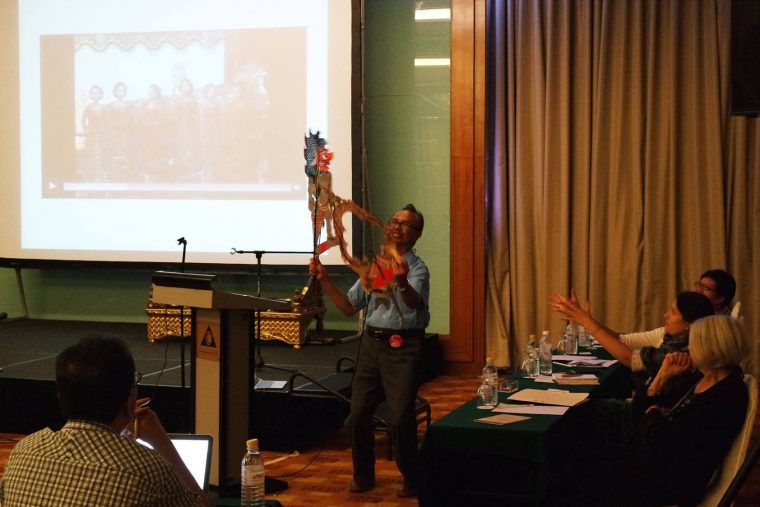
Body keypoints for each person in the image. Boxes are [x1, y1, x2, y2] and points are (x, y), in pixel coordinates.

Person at [545, 315, 750, 506]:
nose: (690, 348)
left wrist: (652, 415)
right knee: (573, 453)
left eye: (694, 343)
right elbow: (638, 412)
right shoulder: (703, 378)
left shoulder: (726, 396)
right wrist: (661, 377)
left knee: (571, 475)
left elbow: (662, 444)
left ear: (711, 348)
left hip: (668, 481)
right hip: (651, 462)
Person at [0, 336, 209, 507]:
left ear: (61, 396)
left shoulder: (24, 451)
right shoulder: (148, 469)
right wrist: (160, 440)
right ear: (129, 400)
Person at [309, 204, 430, 498]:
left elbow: (414, 304)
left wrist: (400, 282)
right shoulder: (377, 266)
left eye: (405, 224)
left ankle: (411, 478)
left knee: (401, 417)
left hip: (404, 348)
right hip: (372, 345)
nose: (396, 227)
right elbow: (349, 306)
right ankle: (363, 475)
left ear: (416, 235)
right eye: (394, 221)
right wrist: (324, 279)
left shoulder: (417, 268)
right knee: (358, 414)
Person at [550, 290, 714, 381]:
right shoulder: (671, 335)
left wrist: (586, 322)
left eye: (673, 312)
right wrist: (587, 320)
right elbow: (623, 340)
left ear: (689, 324)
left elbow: (630, 359)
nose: (666, 315)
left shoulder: (683, 351)